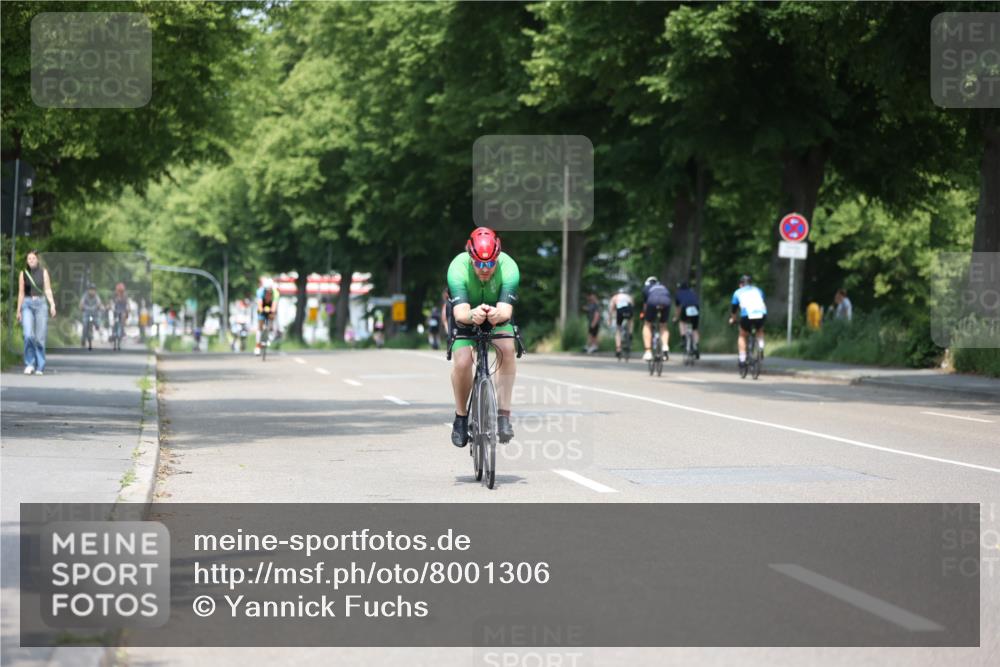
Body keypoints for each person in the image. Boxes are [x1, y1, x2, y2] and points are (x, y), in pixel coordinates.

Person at [447, 226, 519, 447]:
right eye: (479, 263)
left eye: (490, 263)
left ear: (498, 258)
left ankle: (504, 415)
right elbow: (460, 313)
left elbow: (506, 312)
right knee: (463, 361)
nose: (485, 268)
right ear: (470, 258)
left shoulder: (510, 268)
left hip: (497, 315)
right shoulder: (457, 268)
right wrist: (472, 315)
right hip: (467, 315)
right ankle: (461, 417)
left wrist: (497, 315)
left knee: (507, 350)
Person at [16, 250, 57, 375]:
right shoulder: (23, 274)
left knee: (40, 337)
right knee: (28, 335)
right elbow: (21, 293)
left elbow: (48, 289)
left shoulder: (43, 273)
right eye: (29, 259)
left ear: (37, 260)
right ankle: (29, 363)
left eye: (33, 258)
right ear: (27, 261)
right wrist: (18, 310)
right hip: (27, 304)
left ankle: (40, 366)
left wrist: (52, 305)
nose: (31, 260)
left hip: (41, 305)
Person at [728, 274, 767, 372]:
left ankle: (742, 359)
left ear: (741, 284)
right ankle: (761, 346)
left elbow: (734, 309)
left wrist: (733, 319)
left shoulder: (737, 292)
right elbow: (761, 301)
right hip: (761, 313)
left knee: (742, 335)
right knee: (760, 330)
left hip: (747, 315)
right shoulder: (758, 290)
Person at [641, 276, 671, 362]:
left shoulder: (646, 288)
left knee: (647, 324)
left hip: (652, 301)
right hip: (666, 301)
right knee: (663, 326)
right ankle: (665, 346)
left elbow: (645, 306)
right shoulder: (663, 287)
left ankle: (648, 351)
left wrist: (644, 314)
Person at [673, 281, 701, 359]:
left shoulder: (678, 293)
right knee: (695, 329)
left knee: (682, 322)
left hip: (685, 308)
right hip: (695, 308)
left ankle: (684, 338)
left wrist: (675, 318)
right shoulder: (692, 292)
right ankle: (696, 346)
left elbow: (678, 309)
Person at [255, 278, 279, 356]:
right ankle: (258, 346)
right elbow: (259, 304)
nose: (268, 292)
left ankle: (270, 332)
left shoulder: (276, 293)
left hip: (271, 305)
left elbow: (274, 305)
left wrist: (272, 312)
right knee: (260, 325)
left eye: (270, 290)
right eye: (267, 290)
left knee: (272, 316)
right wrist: (261, 310)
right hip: (263, 305)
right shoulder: (260, 292)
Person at [608, 287, 634, 359]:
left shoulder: (615, 297)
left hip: (620, 310)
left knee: (618, 329)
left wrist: (610, 319)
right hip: (629, 309)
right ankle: (630, 333)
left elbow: (611, 309)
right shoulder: (628, 297)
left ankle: (618, 349)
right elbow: (632, 305)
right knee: (631, 320)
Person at [79, 283, 103, 351]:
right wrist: (81, 307)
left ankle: (100, 335)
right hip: (86, 314)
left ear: (95, 291)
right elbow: (81, 303)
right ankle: (83, 339)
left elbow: (99, 303)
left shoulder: (96, 297)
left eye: (93, 290)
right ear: (88, 290)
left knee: (98, 323)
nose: (92, 291)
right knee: (85, 324)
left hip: (94, 314)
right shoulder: (85, 296)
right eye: (90, 290)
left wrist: (100, 307)